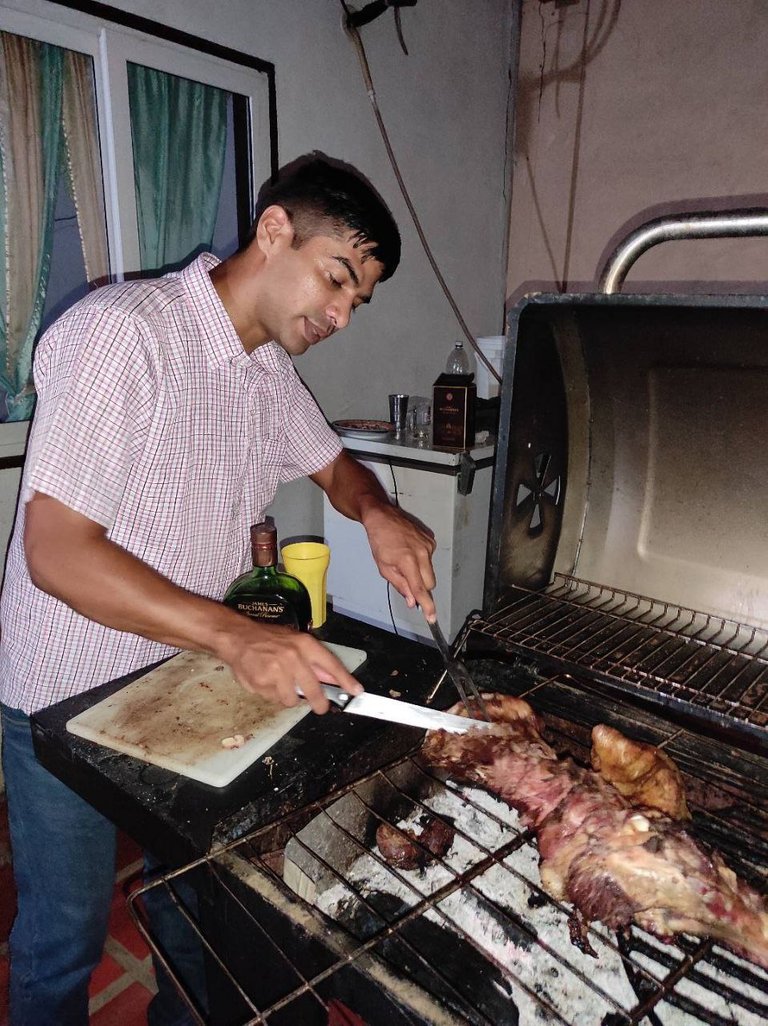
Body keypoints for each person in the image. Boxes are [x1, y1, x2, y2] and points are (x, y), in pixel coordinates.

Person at [0, 152, 437, 1025]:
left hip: (177, 680)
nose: (342, 314)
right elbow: (56, 553)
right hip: (62, 691)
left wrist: (377, 512)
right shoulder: (126, 333)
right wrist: (239, 637)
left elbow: (334, 464)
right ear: (275, 231)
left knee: (187, 901)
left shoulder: (265, 369)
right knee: (67, 935)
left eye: (359, 299)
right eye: (337, 279)